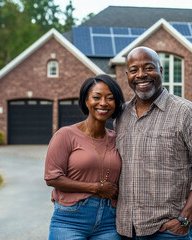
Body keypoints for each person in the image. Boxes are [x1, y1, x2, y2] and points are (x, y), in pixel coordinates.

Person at [114, 47, 192, 239]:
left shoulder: (188, 112)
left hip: (168, 232)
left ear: (161, 71)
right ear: (127, 75)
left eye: (148, 68)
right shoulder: (121, 116)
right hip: (125, 231)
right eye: (134, 70)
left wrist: (184, 219)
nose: (141, 75)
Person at [44, 74, 125, 240]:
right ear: (86, 101)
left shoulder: (118, 139)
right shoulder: (66, 135)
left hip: (109, 220)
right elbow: (52, 178)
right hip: (71, 219)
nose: (103, 103)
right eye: (97, 97)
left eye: (110, 98)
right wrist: (96, 188)